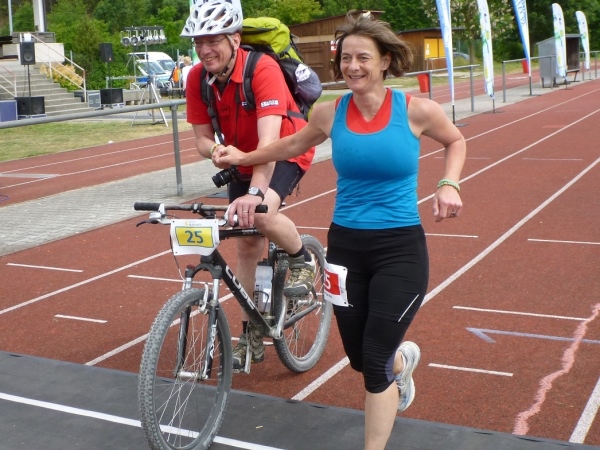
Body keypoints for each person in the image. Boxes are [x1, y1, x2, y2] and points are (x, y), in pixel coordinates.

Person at [215, 10, 466, 450]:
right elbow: (293, 143)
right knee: (359, 357)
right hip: (346, 248)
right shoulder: (330, 113)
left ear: (385, 61)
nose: (353, 66)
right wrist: (243, 158)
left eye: (363, 57)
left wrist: (449, 183)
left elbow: (456, 140)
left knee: (373, 360)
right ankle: (402, 362)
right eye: (346, 58)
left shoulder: (416, 110)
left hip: (399, 248)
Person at [180, 0, 317, 371]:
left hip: (285, 148)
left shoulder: (263, 68)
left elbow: (269, 143)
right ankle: (250, 332)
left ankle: (301, 258)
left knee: (260, 214)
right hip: (240, 155)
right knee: (246, 245)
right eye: (198, 42)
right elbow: (201, 138)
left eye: (213, 41)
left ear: (235, 39)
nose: (205, 49)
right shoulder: (197, 78)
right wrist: (216, 151)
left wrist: (256, 194)